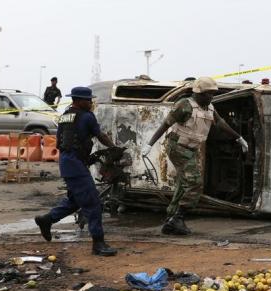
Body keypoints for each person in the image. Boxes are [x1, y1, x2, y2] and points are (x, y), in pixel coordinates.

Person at [142, 77, 248, 235]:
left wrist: (238, 137)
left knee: (184, 183)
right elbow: (166, 124)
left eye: (212, 94)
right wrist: (150, 144)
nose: (210, 97)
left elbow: (220, 123)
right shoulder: (184, 105)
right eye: (207, 94)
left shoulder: (209, 108)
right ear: (198, 93)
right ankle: (178, 218)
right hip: (177, 147)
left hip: (192, 149)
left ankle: (171, 218)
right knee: (195, 182)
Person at [34, 87, 117, 256]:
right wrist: (114, 147)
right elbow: (100, 135)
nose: (91, 103)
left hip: (67, 163)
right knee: (93, 203)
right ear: (79, 100)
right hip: (76, 165)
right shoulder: (87, 116)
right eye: (88, 100)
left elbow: (62, 142)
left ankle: (47, 220)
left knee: (76, 201)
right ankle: (98, 244)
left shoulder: (65, 116)